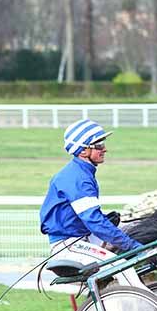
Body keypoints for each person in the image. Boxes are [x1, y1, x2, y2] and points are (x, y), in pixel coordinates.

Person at [40, 119, 146, 289]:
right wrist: (132, 246)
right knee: (123, 268)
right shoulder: (77, 178)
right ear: (83, 150)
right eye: (98, 144)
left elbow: (91, 219)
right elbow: (94, 221)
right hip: (69, 244)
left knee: (133, 230)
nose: (104, 148)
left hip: (81, 237)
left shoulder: (82, 172)